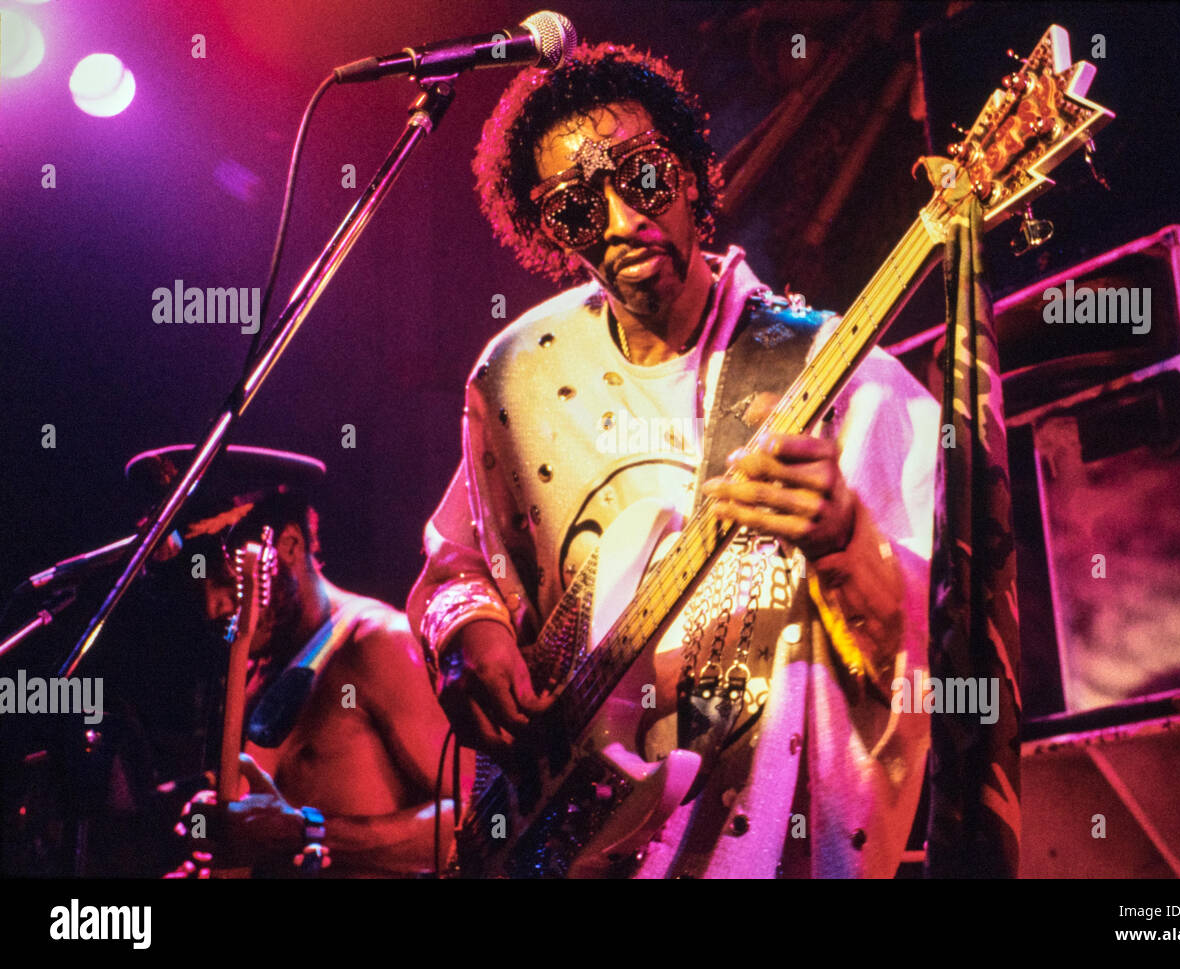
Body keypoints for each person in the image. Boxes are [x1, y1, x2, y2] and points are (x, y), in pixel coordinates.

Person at [408, 43, 940, 878]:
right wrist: (463, 634)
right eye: (578, 209)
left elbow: (931, 657)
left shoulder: (839, 373)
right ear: (550, 234)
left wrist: (845, 542)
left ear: (692, 174)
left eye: (644, 178)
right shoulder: (519, 374)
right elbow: (458, 562)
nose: (622, 220)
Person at [132, 445, 471, 877]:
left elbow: (473, 816)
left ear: (289, 544)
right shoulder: (252, 675)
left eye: (222, 580)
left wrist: (306, 834)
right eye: (197, 589)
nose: (212, 607)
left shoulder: (378, 644)